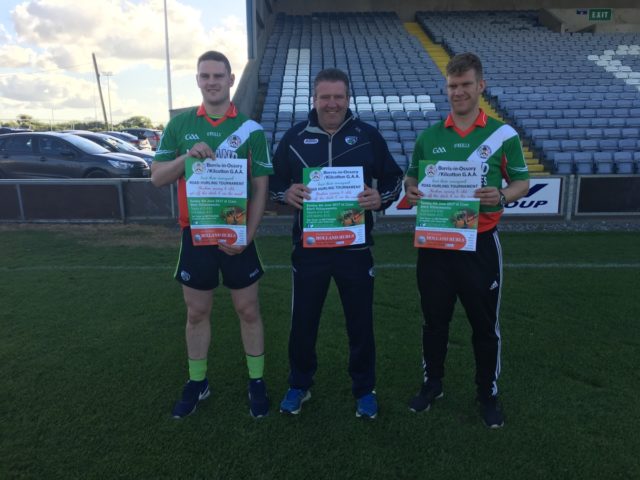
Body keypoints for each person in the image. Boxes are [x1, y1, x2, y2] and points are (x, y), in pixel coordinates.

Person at [404, 52, 530, 428]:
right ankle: (433, 384)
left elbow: (522, 182)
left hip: (480, 244)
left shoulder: (503, 135)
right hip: (436, 244)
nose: (458, 92)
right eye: (452, 86)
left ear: (480, 86)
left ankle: (487, 392)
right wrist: (412, 191)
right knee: (434, 321)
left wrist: (503, 196)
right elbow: (412, 179)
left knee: (483, 324)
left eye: (465, 85)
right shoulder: (429, 136)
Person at [270, 68, 403, 419]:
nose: (332, 104)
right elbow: (272, 181)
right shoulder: (295, 137)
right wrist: (286, 192)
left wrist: (380, 197)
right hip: (309, 248)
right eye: (325, 97)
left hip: (355, 250)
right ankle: (299, 384)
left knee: (360, 322)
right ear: (314, 99)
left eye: (338, 97)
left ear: (348, 98)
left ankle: (364, 389)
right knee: (303, 321)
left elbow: (393, 177)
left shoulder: (367, 136)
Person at [151, 50, 273, 419]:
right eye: (205, 76)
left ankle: (256, 382)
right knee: (197, 311)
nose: (212, 82)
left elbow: (261, 187)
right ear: (198, 80)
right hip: (196, 235)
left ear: (231, 79)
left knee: (248, 309)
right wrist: (187, 157)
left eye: (218, 75)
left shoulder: (251, 130)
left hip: (238, 235)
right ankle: (197, 381)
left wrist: (248, 236)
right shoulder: (180, 125)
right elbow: (157, 177)